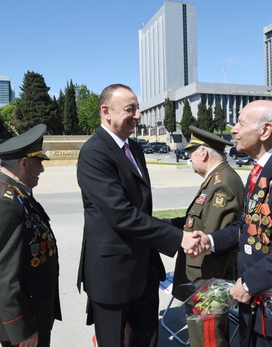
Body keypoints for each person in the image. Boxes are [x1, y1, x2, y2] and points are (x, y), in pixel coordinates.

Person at [76, 83, 201, 347]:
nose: (137, 116)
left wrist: (162, 224)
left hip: (143, 267)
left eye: (138, 109)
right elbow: (121, 214)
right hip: (112, 275)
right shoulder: (94, 153)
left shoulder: (134, 149)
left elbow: (139, 207)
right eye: (130, 109)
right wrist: (178, 237)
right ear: (106, 111)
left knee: (146, 339)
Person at [195, 100, 272, 346]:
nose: (233, 129)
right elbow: (247, 227)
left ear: (265, 131)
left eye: (241, 123)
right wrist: (209, 241)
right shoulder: (261, 170)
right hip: (252, 300)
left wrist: (250, 283)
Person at [0, 124, 61, 347]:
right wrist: (21, 329)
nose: (41, 169)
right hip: (25, 321)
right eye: (38, 162)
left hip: (34, 312)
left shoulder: (16, 192)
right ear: (24, 163)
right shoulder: (3, 202)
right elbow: (1, 275)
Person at [168, 126, 244, 347]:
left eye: (192, 153)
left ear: (203, 153)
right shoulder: (216, 179)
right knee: (202, 335)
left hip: (209, 276)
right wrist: (168, 226)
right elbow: (196, 221)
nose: (189, 158)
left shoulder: (223, 184)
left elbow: (209, 235)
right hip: (202, 275)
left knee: (208, 338)